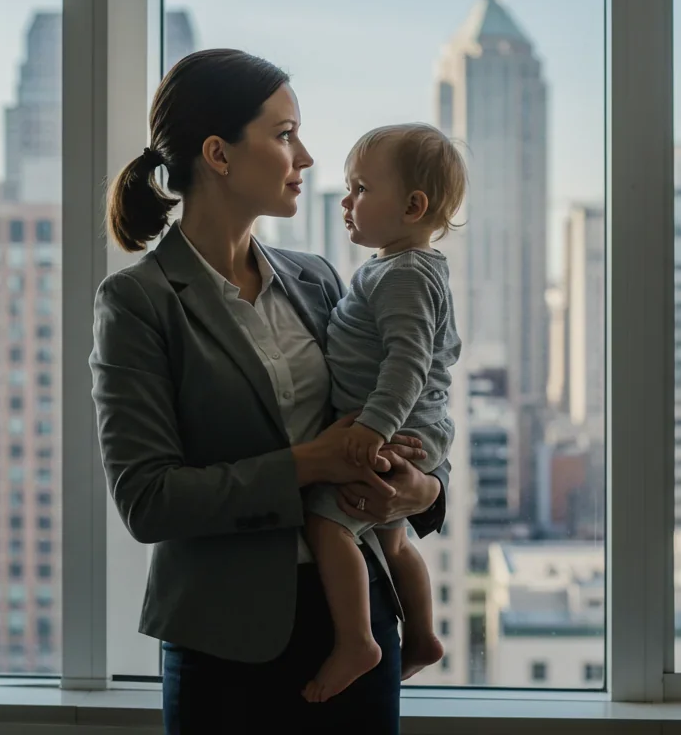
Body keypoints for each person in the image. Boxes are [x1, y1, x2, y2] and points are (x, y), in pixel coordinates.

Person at [91, 48, 450, 735]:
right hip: (225, 646)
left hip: (362, 616)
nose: (307, 156)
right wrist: (313, 464)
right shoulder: (138, 301)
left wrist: (424, 489)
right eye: (285, 134)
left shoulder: (317, 279)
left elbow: (411, 397)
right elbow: (148, 500)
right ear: (219, 155)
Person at [300, 124, 466, 704]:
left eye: (362, 189)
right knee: (392, 544)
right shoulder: (397, 269)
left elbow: (408, 363)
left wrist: (374, 427)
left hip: (396, 431)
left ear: (413, 206)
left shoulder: (403, 275)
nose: (347, 202)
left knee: (329, 523)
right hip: (407, 427)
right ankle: (421, 636)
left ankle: (357, 641)